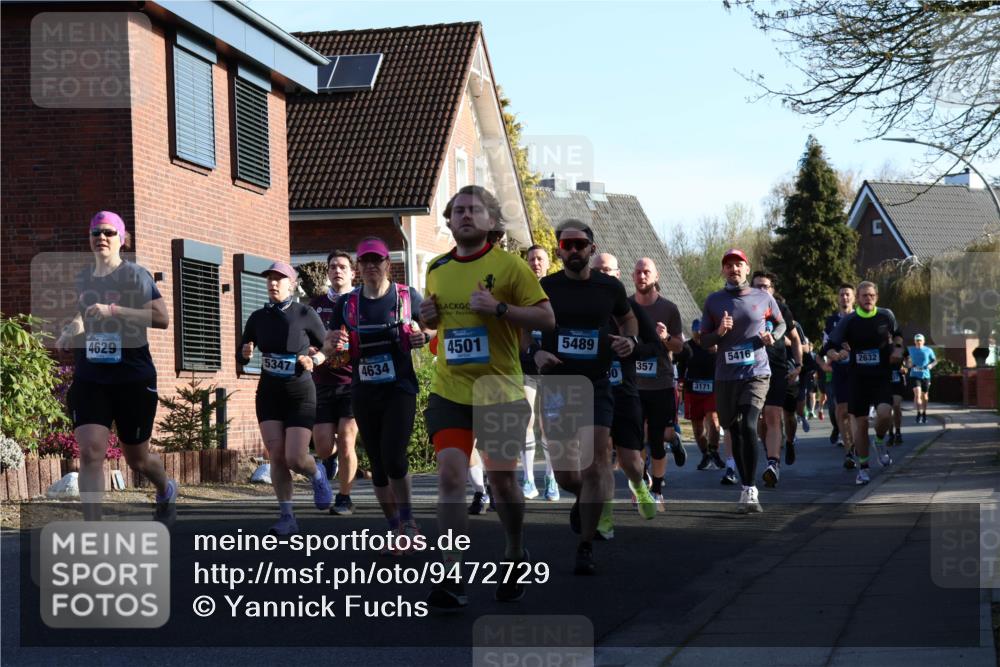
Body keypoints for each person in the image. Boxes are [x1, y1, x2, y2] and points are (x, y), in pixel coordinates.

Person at [420, 185, 555, 610]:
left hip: (499, 391)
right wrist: (427, 318)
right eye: (458, 210)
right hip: (450, 390)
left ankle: (514, 550)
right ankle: (452, 573)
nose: (465, 215)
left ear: (491, 221)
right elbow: (436, 328)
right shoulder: (436, 268)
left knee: (501, 482)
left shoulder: (510, 267)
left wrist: (499, 309)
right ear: (448, 220)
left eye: (474, 209)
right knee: (450, 477)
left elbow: (547, 318)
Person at [55, 211, 176, 523]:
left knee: (137, 459)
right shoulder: (83, 278)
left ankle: (165, 489)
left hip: (132, 378)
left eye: (109, 232)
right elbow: (84, 314)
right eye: (96, 232)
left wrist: (114, 310)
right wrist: (71, 329)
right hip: (91, 376)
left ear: (122, 239)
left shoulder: (136, 275)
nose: (102, 238)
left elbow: (161, 318)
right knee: (90, 452)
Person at [533, 221, 638, 573]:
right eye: (567, 245)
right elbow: (523, 330)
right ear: (559, 250)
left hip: (596, 382)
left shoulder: (609, 287)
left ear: (592, 248)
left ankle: (585, 546)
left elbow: (628, 319)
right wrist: (534, 353)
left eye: (580, 244)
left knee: (595, 462)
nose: (574, 250)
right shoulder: (545, 288)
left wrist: (630, 340)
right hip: (559, 386)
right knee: (565, 476)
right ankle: (584, 499)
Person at [328, 237, 429, 551]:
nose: (372, 266)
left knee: (394, 457)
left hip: (399, 388)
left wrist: (424, 336)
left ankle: (409, 522)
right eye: (366, 261)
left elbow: (432, 327)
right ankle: (395, 528)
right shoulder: (348, 303)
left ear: (388, 264)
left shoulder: (406, 296)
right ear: (359, 267)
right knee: (378, 464)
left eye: (377, 260)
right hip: (363, 390)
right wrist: (335, 346)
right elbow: (330, 345)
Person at [238, 261, 331, 535]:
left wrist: (315, 359)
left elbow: (327, 345)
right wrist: (244, 353)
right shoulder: (258, 317)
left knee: (295, 457)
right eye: (270, 279)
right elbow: (243, 351)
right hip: (269, 393)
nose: (273, 283)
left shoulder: (305, 313)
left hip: (299, 392)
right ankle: (287, 516)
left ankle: (317, 473)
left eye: (279, 279)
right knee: (277, 456)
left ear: (292, 284)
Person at [699, 249, 784, 513]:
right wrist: (719, 332)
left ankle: (750, 488)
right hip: (726, 376)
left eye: (738, 265)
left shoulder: (763, 297)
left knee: (748, 424)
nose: (734, 269)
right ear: (723, 271)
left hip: (756, 372)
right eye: (729, 265)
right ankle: (746, 485)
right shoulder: (714, 301)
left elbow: (781, 324)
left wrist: (773, 337)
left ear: (747, 269)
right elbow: (703, 340)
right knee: (732, 429)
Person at [592, 252, 659, 534]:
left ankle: (639, 485)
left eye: (608, 271)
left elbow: (655, 346)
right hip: (594, 392)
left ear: (618, 275)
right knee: (601, 457)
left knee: (630, 461)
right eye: (598, 270)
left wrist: (633, 346)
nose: (603, 275)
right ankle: (605, 517)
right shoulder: (581, 309)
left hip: (624, 392)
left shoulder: (630, 308)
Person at [821, 281, 902, 485]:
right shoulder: (849, 320)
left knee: (885, 414)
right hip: (858, 378)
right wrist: (835, 355)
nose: (868, 299)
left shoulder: (886, 315)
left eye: (872, 295)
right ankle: (864, 468)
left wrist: (898, 349)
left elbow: (898, 335)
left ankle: (880, 441)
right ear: (858, 298)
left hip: (881, 376)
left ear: (877, 297)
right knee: (862, 423)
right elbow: (828, 346)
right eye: (864, 295)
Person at [308, 250, 360, 515]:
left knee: (348, 439)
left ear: (353, 273)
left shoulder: (361, 302)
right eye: (332, 267)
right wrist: (309, 349)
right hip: (322, 382)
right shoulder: (315, 305)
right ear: (327, 272)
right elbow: (304, 337)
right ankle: (331, 459)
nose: (337, 271)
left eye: (342, 267)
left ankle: (344, 497)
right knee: (323, 446)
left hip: (353, 382)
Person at [631, 258, 686, 507]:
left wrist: (665, 338)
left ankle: (658, 489)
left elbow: (680, 346)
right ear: (632, 276)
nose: (642, 276)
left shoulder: (669, 308)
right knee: (635, 440)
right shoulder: (625, 306)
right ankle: (642, 483)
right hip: (632, 384)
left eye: (647, 272)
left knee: (656, 439)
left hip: (661, 384)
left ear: (656, 276)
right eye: (638, 272)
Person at [750, 272, 801, 488]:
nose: (762, 290)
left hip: (776, 368)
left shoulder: (780, 309)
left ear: (772, 289)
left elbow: (795, 338)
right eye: (757, 286)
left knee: (773, 414)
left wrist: (798, 365)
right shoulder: (744, 306)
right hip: (751, 369)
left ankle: (773, 463)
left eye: (766, 286)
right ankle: (769, 452)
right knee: (759, 419)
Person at [520, 244, 558, 501]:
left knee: (549, 425)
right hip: (527, 364)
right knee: (527, 419)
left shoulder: (556, 290)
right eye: (532, 258)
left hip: (552, 367)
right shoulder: (520, 290)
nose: (535, 263)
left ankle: (551, 477)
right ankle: (528, 478)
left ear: (548, 263)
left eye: (540, 259)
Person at [676, 319, 724, 471]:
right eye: (696, 334)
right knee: (697, 428)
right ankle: (706, 454)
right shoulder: (687, 347)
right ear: (692, 332)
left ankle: (714, 450)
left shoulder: (714, 346)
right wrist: (680, 383)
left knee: (713, 421)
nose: (699, 338)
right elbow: (681, 366)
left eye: (701, 334)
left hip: (712, 389)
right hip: (693, 391)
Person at [823, 284, 857, 466]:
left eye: (848, 294)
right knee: (842, 410)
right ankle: (849, 451)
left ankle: (858, 442)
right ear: (838, 298)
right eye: (842, 294)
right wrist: (834, 355)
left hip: (858, 370)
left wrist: (851, 350)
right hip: (840, 371)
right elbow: (826, 347)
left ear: (854, 297)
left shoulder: (860, 318)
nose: (845, 297)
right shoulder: (831, 321)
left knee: (856, 411)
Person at [907, 333, 936, 424]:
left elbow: (935, 361)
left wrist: (931, 365)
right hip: (914, 375)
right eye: (917, 340)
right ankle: (918, 413)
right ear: (914, 341)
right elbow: (905, 360)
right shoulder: (910, 349)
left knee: (925, 395)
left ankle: (924, 413)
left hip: (925, 375)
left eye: (920, 340)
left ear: (923, 341)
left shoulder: (929, 350)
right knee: (918, 393)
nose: (918, 342)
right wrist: (908, 364)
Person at [889, 345, 909, 444]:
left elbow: (908, 361)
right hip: (885, 384)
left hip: (898, 383)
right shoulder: (882, 346)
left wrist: (905, 368)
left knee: (896, 406)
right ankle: (890, 433)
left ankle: (898, 432)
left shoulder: (901, 347)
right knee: (888, 410)